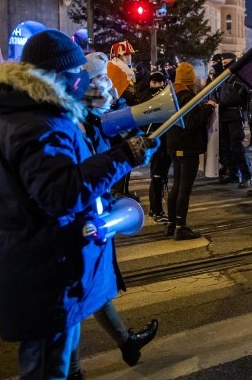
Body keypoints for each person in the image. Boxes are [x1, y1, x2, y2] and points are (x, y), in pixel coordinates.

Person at [0, 29, 159, 379]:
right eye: (79, 72)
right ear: (59, 75)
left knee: (62, 363)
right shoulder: (38, 122)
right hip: (45, 269)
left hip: (51, 266)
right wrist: (123, 157)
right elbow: (60, 194)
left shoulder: (35, 113)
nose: (84, 79)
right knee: (50, 369)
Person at [69, 52, 159, 378]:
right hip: (76, 227)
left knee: (94, 288)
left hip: (92, 222)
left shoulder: (89, 120)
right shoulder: (71, 125)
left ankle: (126, 342)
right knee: (75, 299)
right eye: (100, 84)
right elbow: (81, 176)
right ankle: (74, 370)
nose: (107, 91)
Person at [166, 62, 216, 240]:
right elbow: (192, 122)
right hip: (187, 147)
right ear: (190, 79)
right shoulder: (187, 96)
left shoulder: (172, 94)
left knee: (177, 186)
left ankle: (172, 224)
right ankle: (181, 227)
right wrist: (208, 108)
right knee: (184, 189)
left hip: (174, 144)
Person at [210, 53, 252, 187]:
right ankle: (233, 174)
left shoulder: (238, 77)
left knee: (237, 147)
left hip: (234, 115)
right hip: (223, 115)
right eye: (222, 62)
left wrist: (222, 101)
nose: (223, 64)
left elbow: (239, 97)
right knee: (226, 147)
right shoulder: (223, 77)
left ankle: (246, 175)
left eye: (226, 62)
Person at [137, 71, 173, 222]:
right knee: (157, 176)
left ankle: (156, 209)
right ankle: (156, 210)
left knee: (158, 176)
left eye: (159, 83)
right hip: (158, 142)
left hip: (154, 142)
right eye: (156, 83)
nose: (157, 86)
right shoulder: (154, 97)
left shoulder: (144, 95)